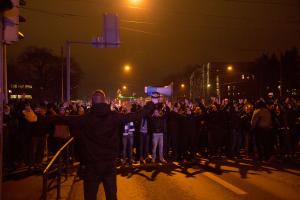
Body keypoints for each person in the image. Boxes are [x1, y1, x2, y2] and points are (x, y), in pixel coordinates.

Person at [57, 90, 154, 200]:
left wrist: (41, 118)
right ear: (104, 101)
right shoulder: (114, 117)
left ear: (92, 102)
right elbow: (135, 116)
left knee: (90, 196)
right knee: (111, 195)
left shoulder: (85, 119)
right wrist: (151, 104)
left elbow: (63, 119)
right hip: (109, 164)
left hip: (91, 165)